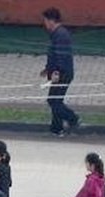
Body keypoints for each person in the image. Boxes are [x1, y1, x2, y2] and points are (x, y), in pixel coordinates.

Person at [41, 8, 79, 136]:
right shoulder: (58, 33)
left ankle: (73, 118)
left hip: (62, 74)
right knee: (56, 100)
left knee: (53, 101)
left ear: (52, 21)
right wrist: (47, 69)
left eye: (45, 21)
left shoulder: (60, 34)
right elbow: (53, 55)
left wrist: (56, 72)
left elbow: (60, 56)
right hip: (61, 72)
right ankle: (56, 129)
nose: (44, 24)